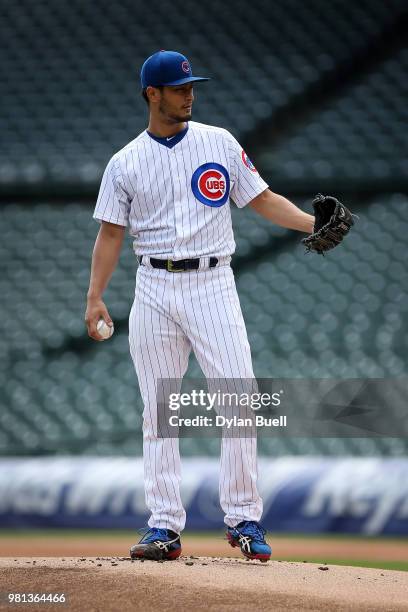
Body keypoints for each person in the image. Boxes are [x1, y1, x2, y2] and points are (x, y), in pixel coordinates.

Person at [85, 50, 314, 562]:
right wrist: (95, 296)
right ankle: (163, 525)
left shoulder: (219, 142)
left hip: (213, 282)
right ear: (152, 93)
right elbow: (110, 234)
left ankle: (243, 517)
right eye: (178, 87)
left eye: (191, 86)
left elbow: (261, 198)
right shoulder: (124, 162)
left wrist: (310, 224)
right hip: (153, 286)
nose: (189, 94)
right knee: (159, 410)